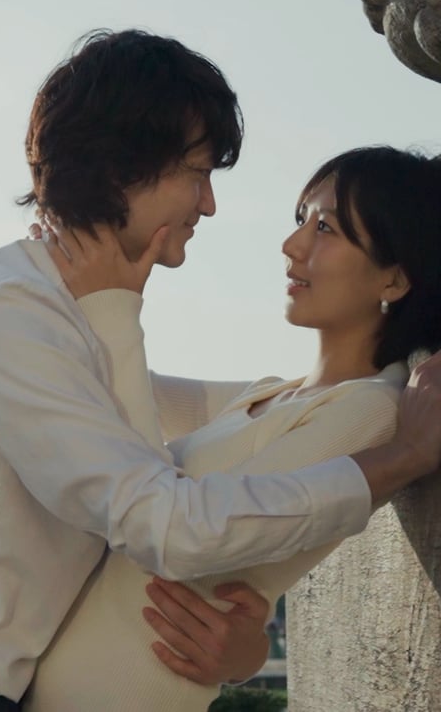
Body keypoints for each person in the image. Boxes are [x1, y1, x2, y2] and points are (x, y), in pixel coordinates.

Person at [0, 29, 441, 712]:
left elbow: (205, 447)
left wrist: (249, 641)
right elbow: (168, 523)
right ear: (125, 168)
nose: (208, 204)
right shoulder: (14, 316)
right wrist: (402, 458)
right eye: (198, 173)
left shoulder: (50, 306)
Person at [24, 145, 441, 711]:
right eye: (301, 221)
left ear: (393, 279)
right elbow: (109, 388)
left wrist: (114, 301)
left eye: (326, 228)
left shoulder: (371, 412)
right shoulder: (272, 395)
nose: (292, 245)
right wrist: (87, 272)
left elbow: (190, 526)